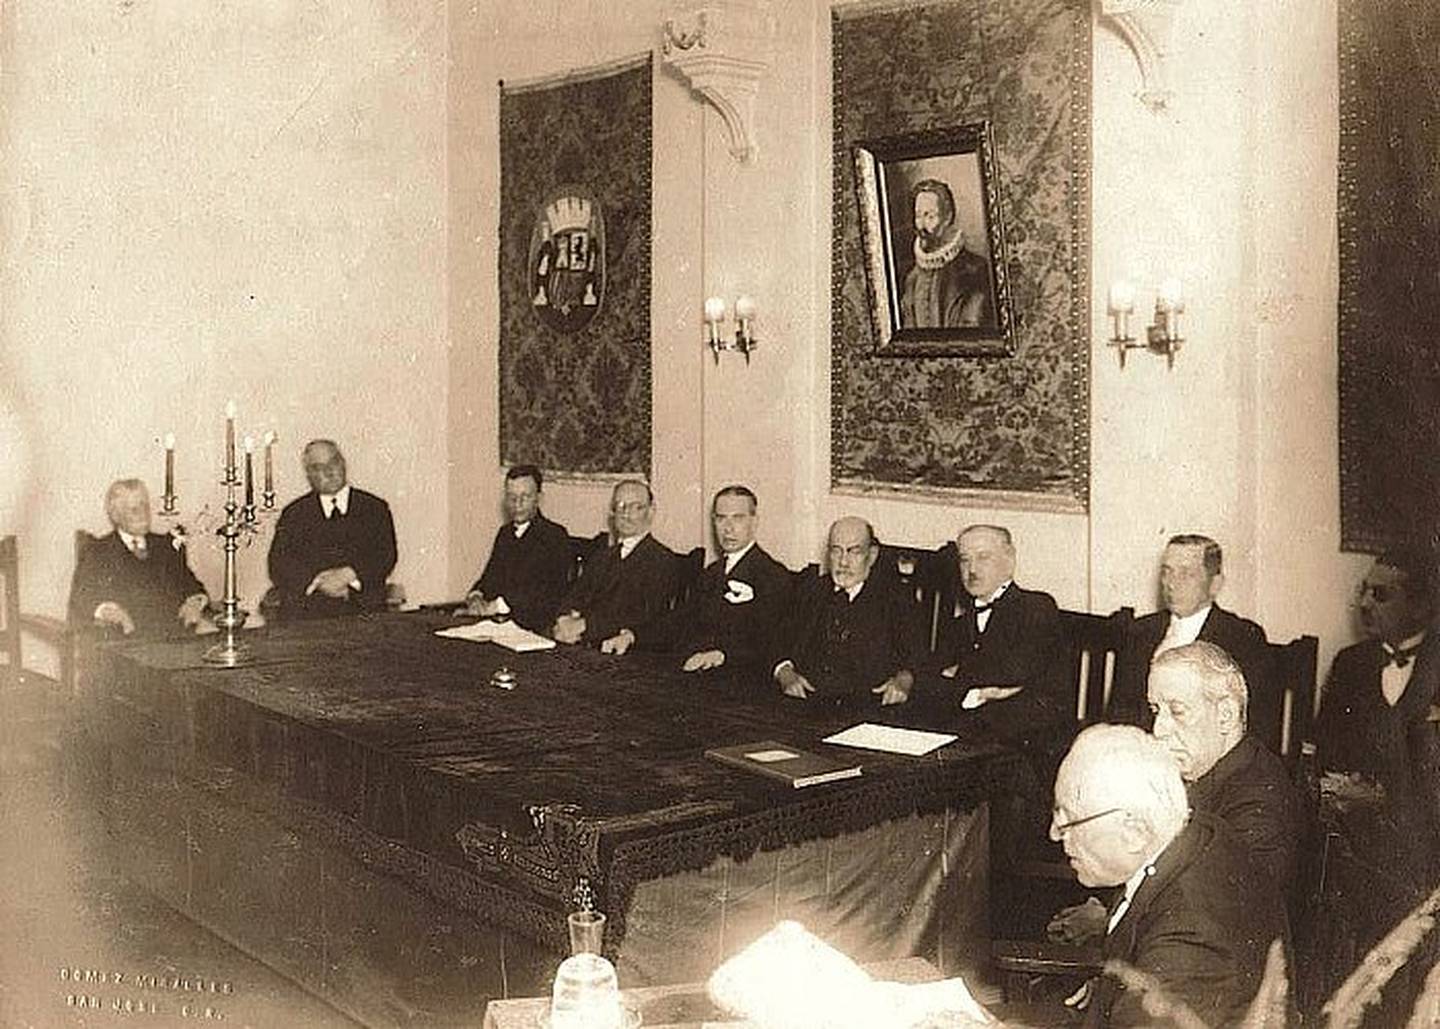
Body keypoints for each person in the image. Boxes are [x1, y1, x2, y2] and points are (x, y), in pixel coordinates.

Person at [1051, 724, 1286, 1028]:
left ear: (1134, 832)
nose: (1055, 835)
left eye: (1068, 821)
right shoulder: (1196, 834)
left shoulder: (1191, 938)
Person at [1312, 548, 1440, 983]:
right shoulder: (1351, 664)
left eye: (1381, 594)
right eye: (1363, 591)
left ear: (1421, 604)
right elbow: (1325, 750)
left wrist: (1382, 796)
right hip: (1361, 841)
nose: (1365, 603)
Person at [600, 485, 791, 673]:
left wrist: (721, 655)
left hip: (735, 680)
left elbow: (768, 643)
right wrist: (632, 636)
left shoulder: (772, 575)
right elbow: (680, 619)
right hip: (693, 668)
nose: (728, 528)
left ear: (754, 521)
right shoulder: (712, 573)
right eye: (721, 518)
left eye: (738, 518)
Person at [1110, 535, 1273, 740]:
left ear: (1215, 584)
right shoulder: (1140, 631)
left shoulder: (1242, 640)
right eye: (1166, 572)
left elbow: (1248, 729)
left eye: (1186, 574)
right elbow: (1118, 715)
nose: (1171, 583)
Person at [930, 525, 1067, 750]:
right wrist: (986, 689)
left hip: (1029, 737)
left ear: (1009, 560)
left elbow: (1016, 670)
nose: (971, 569)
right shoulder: (960, 624)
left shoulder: (1037, 607)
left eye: (983, 557)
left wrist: (961, 674)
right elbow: (935, 677)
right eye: (965, 560)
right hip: (976, 728)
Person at [769, 517, 923, 709]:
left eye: (854, 552)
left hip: (869, 708)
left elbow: (916, 657)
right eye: (836, 550)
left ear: (872, 555)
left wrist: (904, 681)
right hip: (806, 704)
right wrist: (785, 674)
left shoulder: (897, 599)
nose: (843, 562)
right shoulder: (810, 591)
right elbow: (776, 644)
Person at [266, 439, 398, 619]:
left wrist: (349, 575)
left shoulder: (374, 508)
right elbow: (278, 564)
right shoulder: (294, 514)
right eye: (319, 467)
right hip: (307, 612)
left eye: (333, 462)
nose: (329, 472)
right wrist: (319, 581)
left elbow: (385, 555)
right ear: (309, 474)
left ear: (343, 463)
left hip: (364, 608)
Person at [67, 479, 210, 637]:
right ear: (115, 515)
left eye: (145, 506)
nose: (143, 515)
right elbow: (82, 599)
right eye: (134, 509)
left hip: (174, 640)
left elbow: (193, 587)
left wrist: (194, 603)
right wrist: (111, 612)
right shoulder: (97, 551)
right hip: (124, 643)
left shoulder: (166, 545)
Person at [552, 480, 677, 645]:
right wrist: (563, 619)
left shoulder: (662, 560)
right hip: (580, 641)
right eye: (620, 506)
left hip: (622, 650)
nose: (626, 514)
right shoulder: (603, 556)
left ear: (651, 511)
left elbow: (638, 615)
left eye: (636, 507)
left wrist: (583, 626)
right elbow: (575, 595)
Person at [463, 465, 571, 632]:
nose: (517, 504)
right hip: (498, 625)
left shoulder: (554, 536)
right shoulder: (505, 534)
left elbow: (539, 593)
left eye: (525, 496)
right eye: (511, 497)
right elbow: (489, 578)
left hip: (533, 630)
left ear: (538, 498)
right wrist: (476, 596)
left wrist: (495, 606)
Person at [897, 178, 992, 330]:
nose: (921, 226)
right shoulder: (912, 278)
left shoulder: (974, 270)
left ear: (947, 217)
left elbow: (973, 328)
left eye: (930, 216)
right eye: (918, 216)